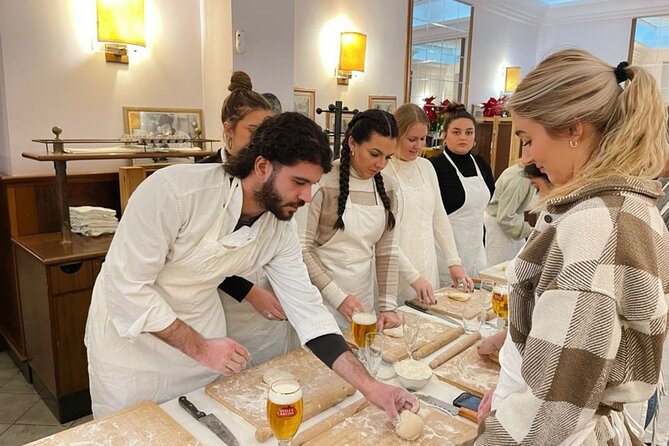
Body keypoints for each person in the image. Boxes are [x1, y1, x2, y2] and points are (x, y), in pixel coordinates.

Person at [84, 112, 418, 422]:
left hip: (201, 336)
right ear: (261, 166)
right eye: (299, 182)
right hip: (132, 346)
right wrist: (199, 346)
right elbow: (126, 287)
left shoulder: (278, 228)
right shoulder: (174, 193)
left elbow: (308, 311)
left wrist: (370, 386)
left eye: (313, 184)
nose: (307, 197)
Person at [476, 49, 669, 445]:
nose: (526, 157)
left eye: (529, 140)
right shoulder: (628, 206)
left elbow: (554, 410)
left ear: (574, 130)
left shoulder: (597, 226)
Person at [199, 72, 292, 366]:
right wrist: (248, 291)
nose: (261, 142)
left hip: (267, 293)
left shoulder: (272, 173)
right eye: (254, 131)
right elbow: (199, 255)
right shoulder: (203, 178)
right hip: (222, 300)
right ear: (229, 128)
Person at [300, 109, 401, 330]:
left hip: (362, 300)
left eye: (388, 157)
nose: (381, 164)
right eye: (374, 154)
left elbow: (387, 251)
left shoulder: (389, 188)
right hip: (321, 300)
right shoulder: (323, 182)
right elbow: (302, 249)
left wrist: (387, 305)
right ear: (353, 143)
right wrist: (337, 297)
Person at [383, 103, 472, 305]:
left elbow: (439, 217)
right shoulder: (383, 171)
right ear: (395, 135)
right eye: (411, 139)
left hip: (426, 261)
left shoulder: (426, 167)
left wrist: (453, 262)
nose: (418, 145)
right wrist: (413, 276)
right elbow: (384, 235)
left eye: (422, 139)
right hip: (395, 267)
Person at [429, 103, 494, 282]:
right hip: (445, 256)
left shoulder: (481, 164)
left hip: (477, 251)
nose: (463, 137)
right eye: (456, 132)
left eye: (469, 132)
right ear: (444, 135)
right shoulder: (435, 167)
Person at [198, 71, 273, 164]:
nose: (263, 138)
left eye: (267, 131)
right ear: (229, 129)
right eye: (254, 130)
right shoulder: (203, 172)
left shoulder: (274, 169)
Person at [483, 161, 535, 266]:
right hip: (500, 227)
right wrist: (531, 231)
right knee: (498, 270)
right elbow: (505, 218)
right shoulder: (521, 180)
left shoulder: (525, 175)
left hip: (511, 222)